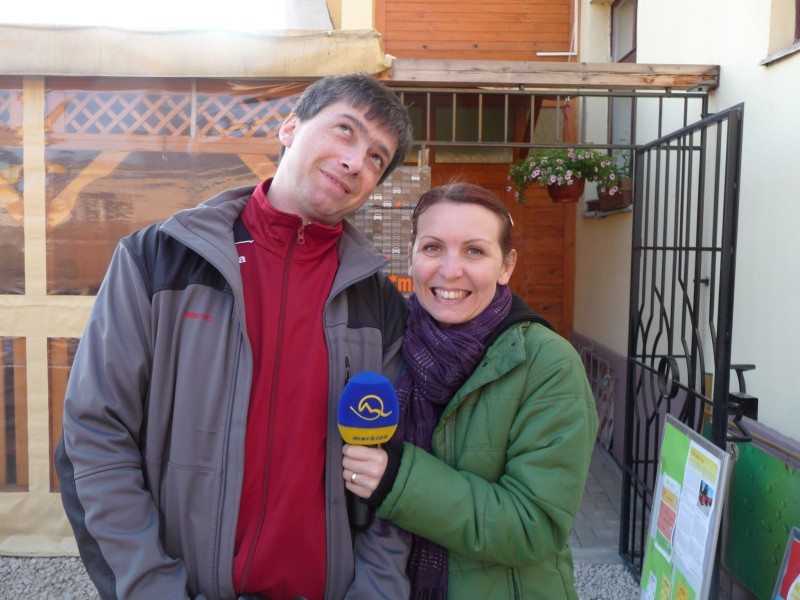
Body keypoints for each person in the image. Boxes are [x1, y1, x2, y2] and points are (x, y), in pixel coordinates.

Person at [54, 73, 414, 600]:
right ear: (289, 127)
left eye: (377, 158)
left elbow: (398, 472)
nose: (355, 162)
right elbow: (94, 437)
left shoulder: (380, 305)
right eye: (345, 130)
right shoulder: (158, 259)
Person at [341, 182, 600, 599]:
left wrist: (397, 480)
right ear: (411, 256)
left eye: (474, 251)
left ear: (506, 266)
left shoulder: (547, 363)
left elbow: (533, 525)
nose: (450, 270)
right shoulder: (386, 343)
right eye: (432, 248)